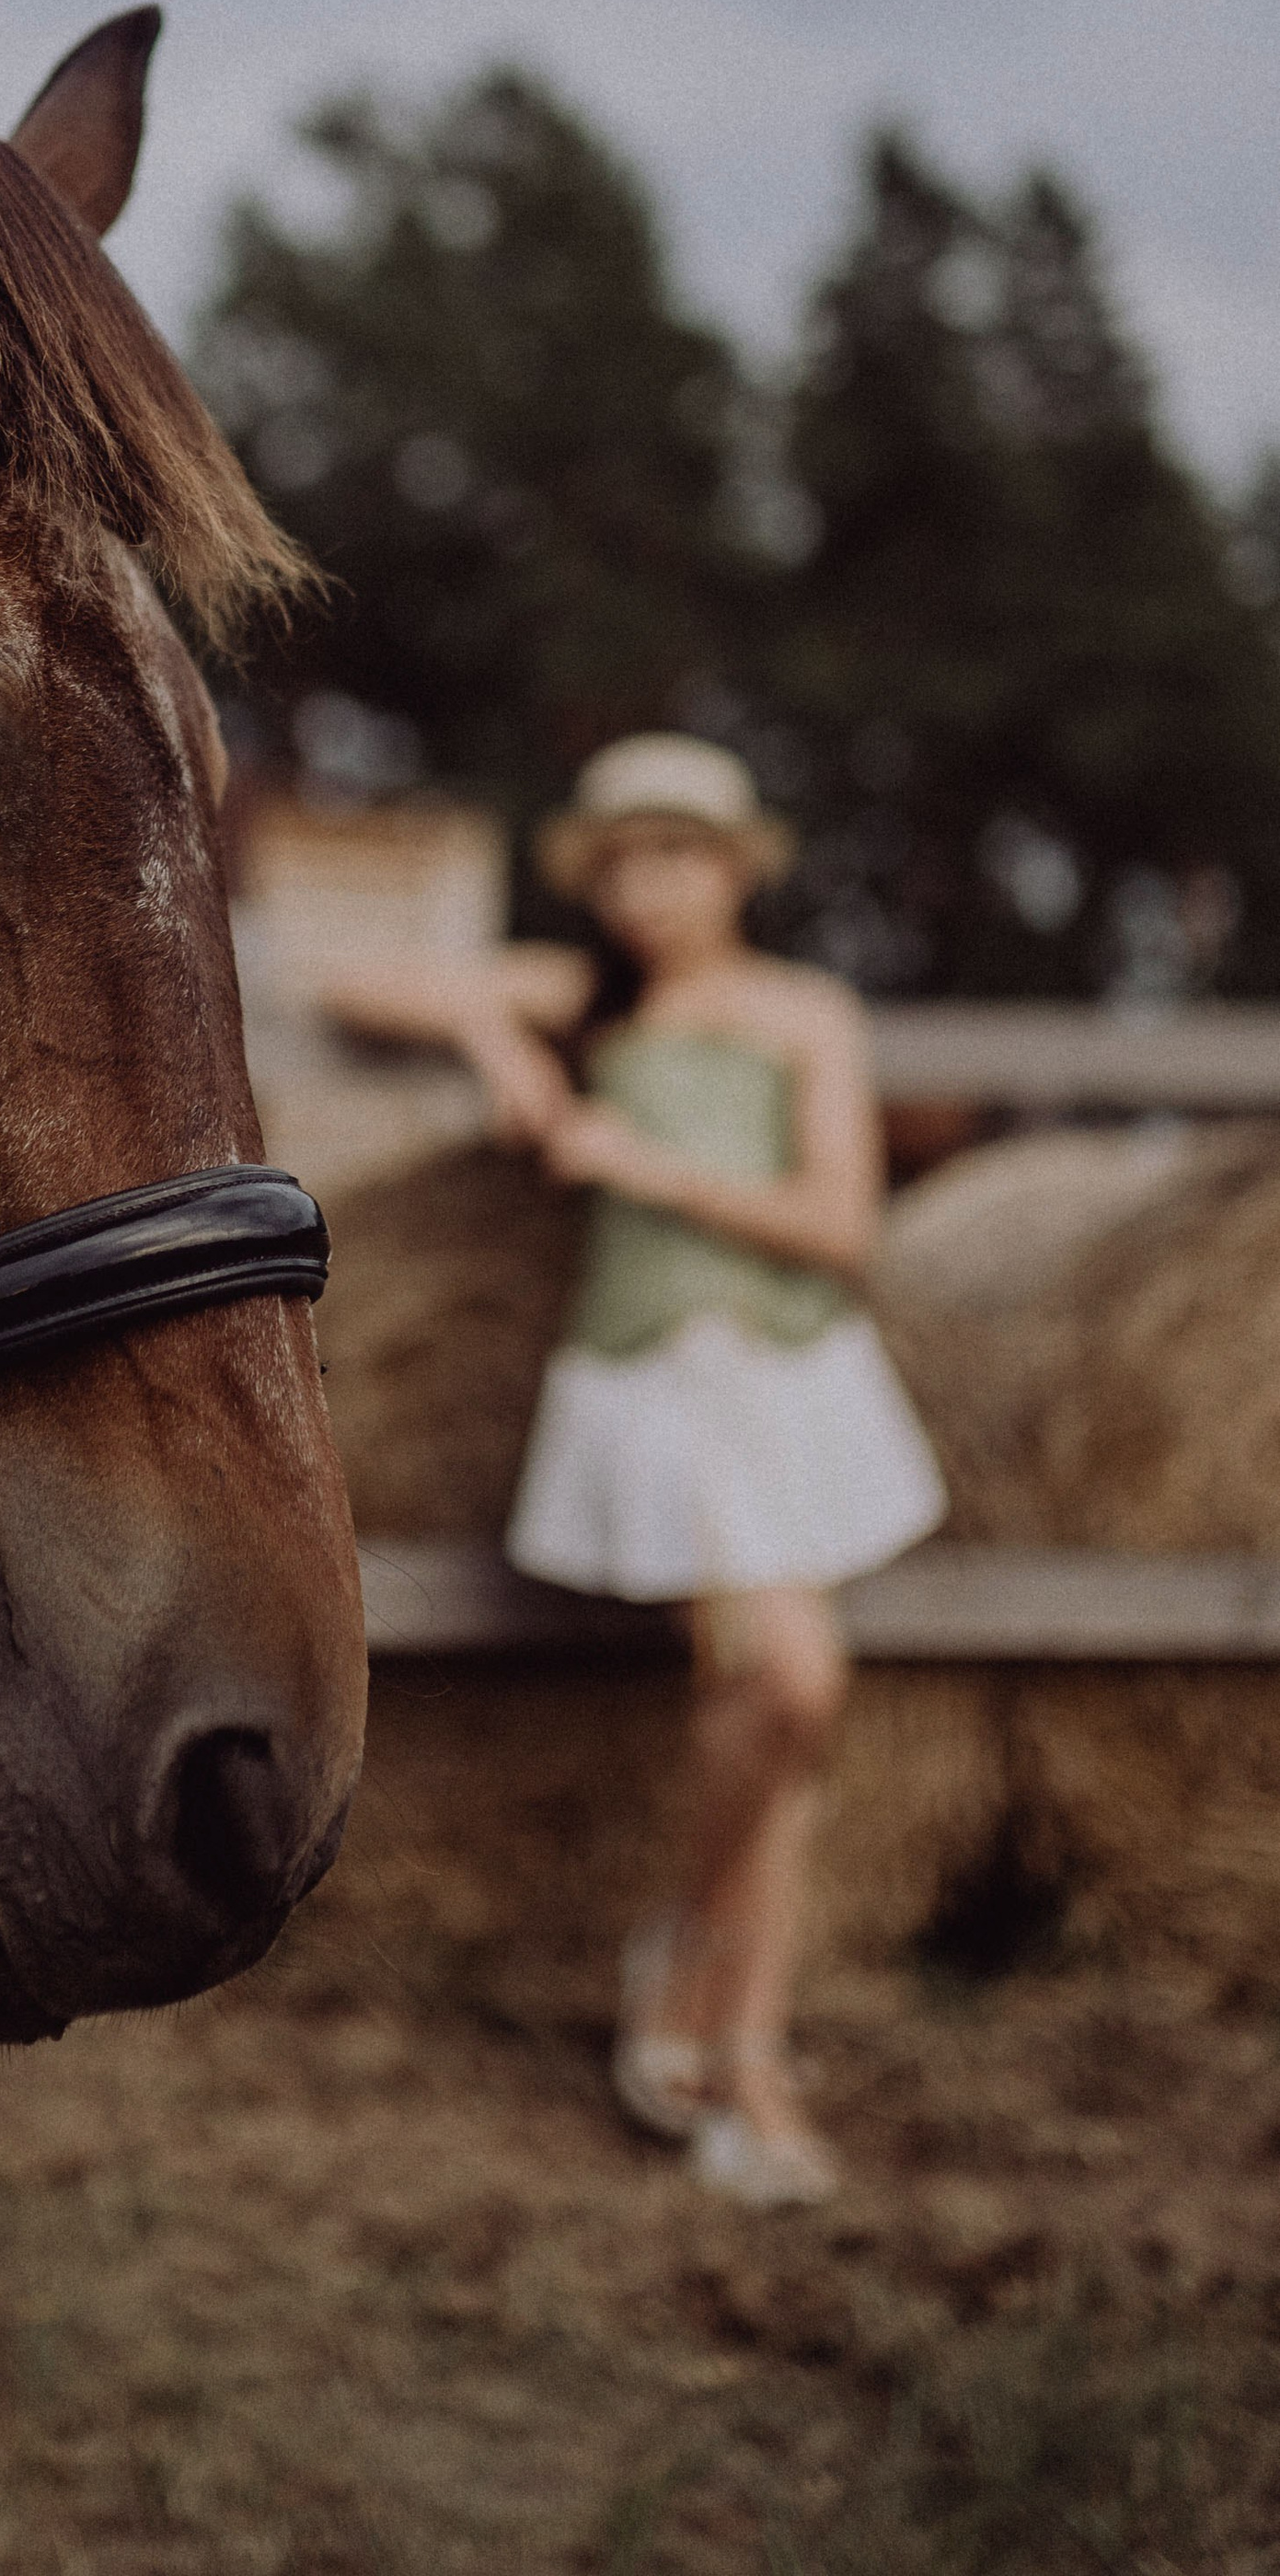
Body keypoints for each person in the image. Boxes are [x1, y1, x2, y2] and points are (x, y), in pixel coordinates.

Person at [328, 734, 943, 2206]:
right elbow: (349, 980)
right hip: (655, 1387)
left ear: (734, 869)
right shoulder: (591, 1003)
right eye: (620, 864)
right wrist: (495, 1033)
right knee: (791, 1687)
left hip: (787, 1377)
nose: (647, 888)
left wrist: (639, 1162)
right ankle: (745, 2057)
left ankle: (705, 1988)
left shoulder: (801, 1011)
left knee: (778, 1711)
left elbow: (841, 1223)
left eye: (676, 855)